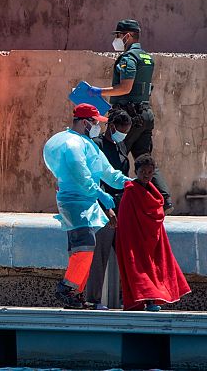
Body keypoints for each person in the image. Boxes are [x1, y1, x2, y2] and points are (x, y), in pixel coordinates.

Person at [43, 103, 132, 309]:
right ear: (85, 122)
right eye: (95, 122)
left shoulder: (88, 144)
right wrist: (101, 193)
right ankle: (67, 288)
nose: (98, 127)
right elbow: (81, 176)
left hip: (86, 204)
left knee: (84, 248)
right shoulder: (72, 145)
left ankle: (76, 294)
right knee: (84, 245)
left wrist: (129, 183)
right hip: (73, 203)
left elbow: (108, 173)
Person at [88, 19, 172, 212]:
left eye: (119, 35)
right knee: (144, 157)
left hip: (128, 116)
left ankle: (119, 201)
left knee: (117, 155)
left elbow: (125, 87)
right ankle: (165, 199)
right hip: (145, 114)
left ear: (127, 36)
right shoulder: (147, 58)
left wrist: (98, 91)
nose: (117, 39)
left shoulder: (128, 58)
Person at [115, 154, 190, 311]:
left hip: (151, 241)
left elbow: (157, 216)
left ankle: (152, 300)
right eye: (143, 172)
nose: (146, 176)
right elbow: (126, 221)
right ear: (137, 171)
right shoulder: (130, 193)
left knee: (155, 269)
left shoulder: (154, 193)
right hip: (135, 241)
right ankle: (145, 300)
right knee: (139, 270)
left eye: (150, 172)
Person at [84, 109, 132, 309]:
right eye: (121, 129)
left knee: (127, 256)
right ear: (111, 127)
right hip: (104, 207)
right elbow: (97, 179)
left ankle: (128, 298)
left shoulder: (121, 146)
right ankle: (93, 299)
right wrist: (106, 208)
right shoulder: (98, 146)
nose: (124, 133)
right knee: (100, 255)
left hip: (122, 206)